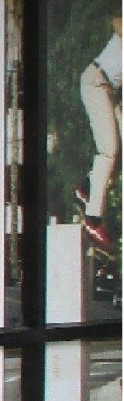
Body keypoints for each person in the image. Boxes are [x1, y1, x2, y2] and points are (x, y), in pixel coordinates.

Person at [80, 13, 122, 253]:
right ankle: (93, 220)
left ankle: (87, 185)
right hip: (95, 82)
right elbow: (117, 20)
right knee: (108, 150)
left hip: (111, 91)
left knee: (119, 149)